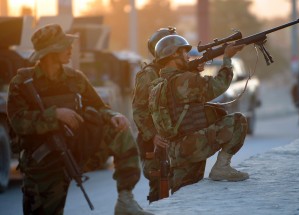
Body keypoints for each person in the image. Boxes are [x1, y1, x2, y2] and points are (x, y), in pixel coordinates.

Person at [6, 24, 153, 215]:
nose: (70, 49)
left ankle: (125, 198)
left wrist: (113, 115)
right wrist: (56, 114)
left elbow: (100, 107)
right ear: (51, 52)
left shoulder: (75, 78)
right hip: (41, 164)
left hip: (74, 150)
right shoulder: (23, 82)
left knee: (119, 129)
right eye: (64, 46)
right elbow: (18, 122)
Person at [149, 35, 249, 193]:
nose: (187, 56)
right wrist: (227, 59)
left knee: (183, 195)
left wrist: (193, 71)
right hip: (193, 145)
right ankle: (222, 167)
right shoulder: (185, 80)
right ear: (174, 55)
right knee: (238, 121)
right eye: (183, 53)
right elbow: (218, 85)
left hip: (177, 151)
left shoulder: (160, 84)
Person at [132, 27, 176, 203]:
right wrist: (152, 135)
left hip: (174, 139)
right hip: (154, 144)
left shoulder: (177, 69)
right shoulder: (148, 74)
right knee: (159, 190)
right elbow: (139, 110)